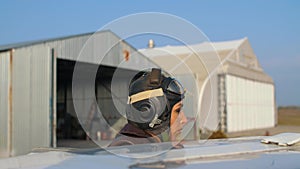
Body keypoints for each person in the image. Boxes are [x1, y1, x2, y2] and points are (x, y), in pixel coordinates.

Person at [108, 68, 187, 148]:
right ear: (150, 113)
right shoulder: (130, 150)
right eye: (177, 110)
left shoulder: (152, 148)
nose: (184, 120)